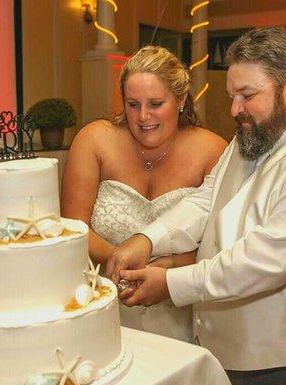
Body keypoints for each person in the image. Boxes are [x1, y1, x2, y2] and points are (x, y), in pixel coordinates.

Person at [107, 27, 286, 385]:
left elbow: (266, 260)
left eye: (247, 95)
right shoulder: (253, 136)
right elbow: (207, 200)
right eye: (232, 95)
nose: (234, 109)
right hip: (230, 353)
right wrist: (148, 238)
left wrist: (170, 285)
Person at [61, 46, 227, 342]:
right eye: (133, 104)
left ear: (181, 100)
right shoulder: (95, 140)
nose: (143, 116)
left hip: (179, 311)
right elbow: (73, 227)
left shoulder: (212, 150)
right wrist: (124, 262)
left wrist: (165, 273)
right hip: (104, 303)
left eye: (155, 103)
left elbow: (221, 241)